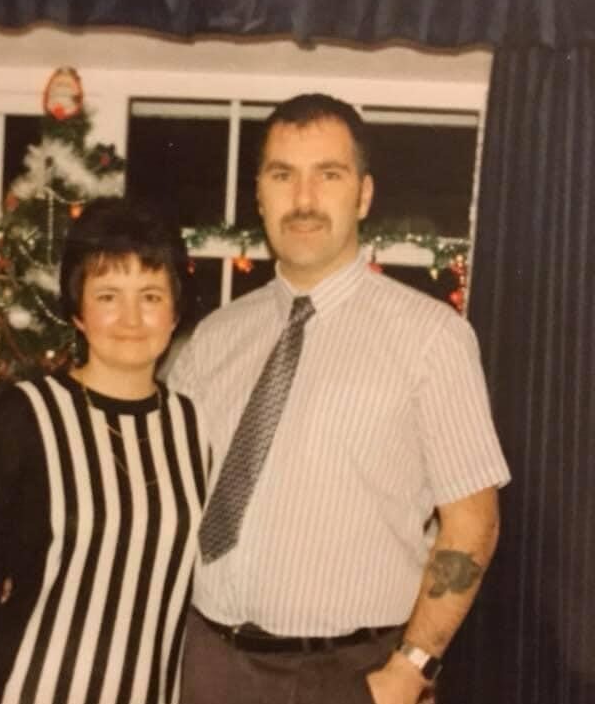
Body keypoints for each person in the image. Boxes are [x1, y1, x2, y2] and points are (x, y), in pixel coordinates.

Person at [168, 93, 511, 704]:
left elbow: (473, 521)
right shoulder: (212, 341)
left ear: (364, 194)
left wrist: (409, 669)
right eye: (283, 175)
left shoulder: (432, 338)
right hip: (208, 665)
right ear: (259, 195)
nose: (303, 200)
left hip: (353, 676)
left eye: (329, 175)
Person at [0, 197, 208, 704]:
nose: (131, 318)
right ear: (78, 311)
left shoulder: (196, 427)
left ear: (175, 310)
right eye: (108, 295)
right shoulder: (25, 417)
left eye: (150, 295)